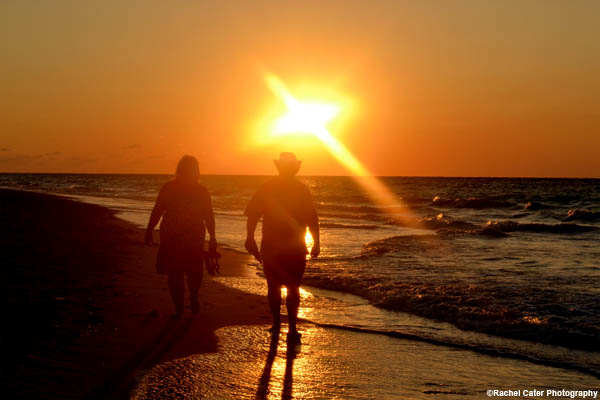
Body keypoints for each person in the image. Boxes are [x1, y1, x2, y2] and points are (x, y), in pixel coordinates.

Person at [244, 152, 320, 343]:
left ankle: (281, 325)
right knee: (289, 287)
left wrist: (250, 237)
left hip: (280, 245)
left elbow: (253, 214)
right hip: (286, 246)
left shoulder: (270, 187)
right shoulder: (298, 189)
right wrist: (316, 242)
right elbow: (312, 217)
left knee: (278, 287)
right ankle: (288, 327)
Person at [145, 155, 216, 317]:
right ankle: (188, 300)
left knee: (178, 271)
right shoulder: (198, 190)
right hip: (184, 234)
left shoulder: (172, 188)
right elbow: (209, 216)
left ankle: (183, 305)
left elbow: (158, 210)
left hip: (177, 233)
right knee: (188, 270)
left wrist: (150, 229)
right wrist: (212, 237)